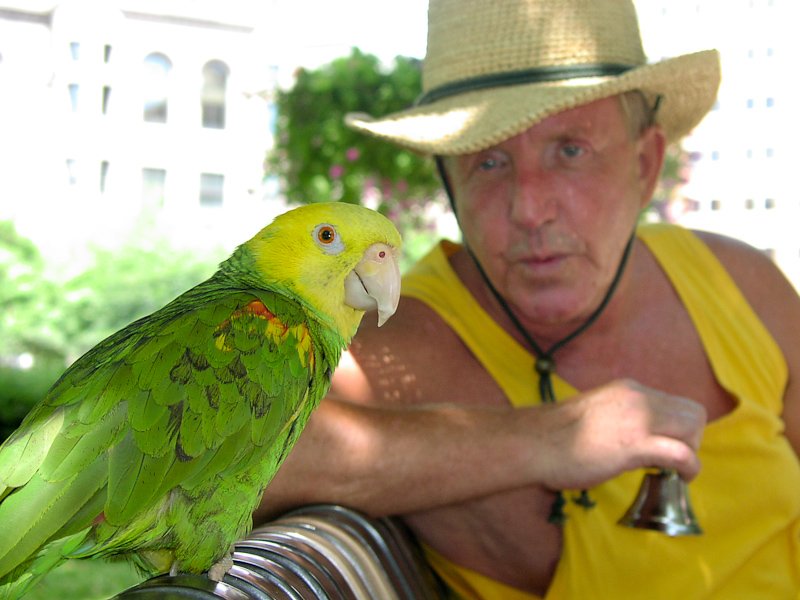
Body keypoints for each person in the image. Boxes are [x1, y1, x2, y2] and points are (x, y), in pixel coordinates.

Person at [255, 0, 800, 598]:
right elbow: (230, 452)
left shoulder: (741, 284)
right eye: (487, 161)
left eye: (570, 150)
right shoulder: (397, 343)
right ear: (450, 182)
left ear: (644, 166)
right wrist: (547, 440)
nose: (529, 208)